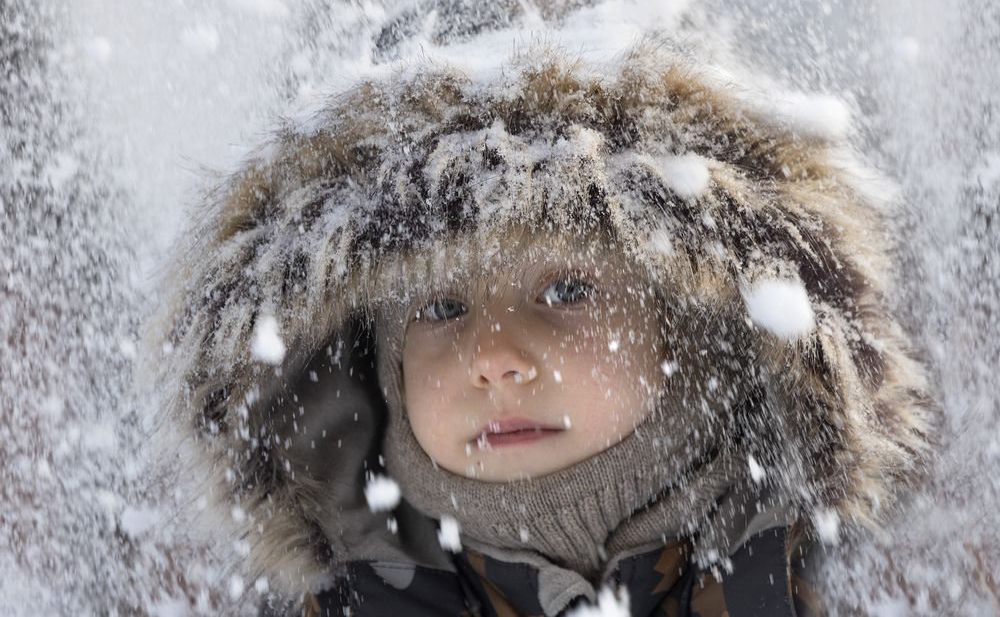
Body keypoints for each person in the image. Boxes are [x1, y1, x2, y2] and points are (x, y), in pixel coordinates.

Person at [146, 45, 936, 616]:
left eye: (566, 288)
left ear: (694, 330)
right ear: (380, 370)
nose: (492, 356)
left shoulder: (842, 583)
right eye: (443, 308)